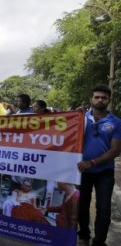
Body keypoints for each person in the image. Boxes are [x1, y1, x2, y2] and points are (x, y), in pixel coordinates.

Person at [77, 85, 121, 246]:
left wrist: (93, 162)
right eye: (97, 97)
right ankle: (83, 236)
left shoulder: (116, 122)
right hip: (82, 170)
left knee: (103, 209)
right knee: (81, 206)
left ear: (109, 100)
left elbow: (115, 150)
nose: (100, 100)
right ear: (91, 99)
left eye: (104, 97)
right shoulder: (80, 119)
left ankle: (99, 242)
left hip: (104, 172)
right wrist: (74, 117)